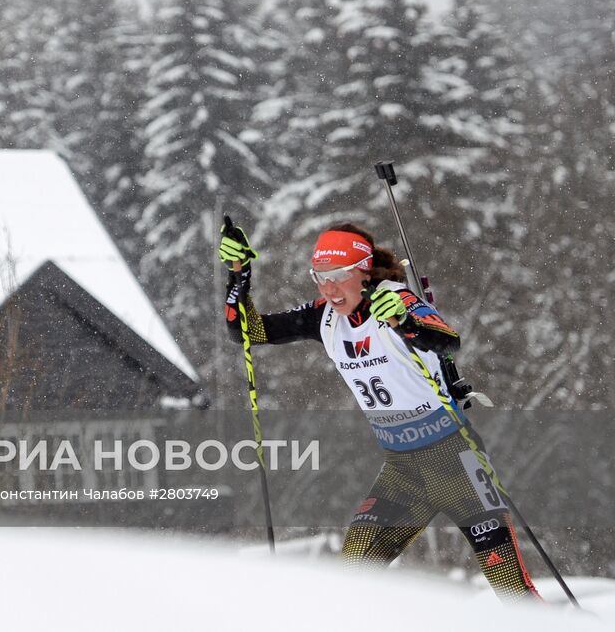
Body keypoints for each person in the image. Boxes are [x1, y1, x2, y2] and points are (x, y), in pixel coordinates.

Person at [218, 220, 540, 600]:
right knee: (354, 573)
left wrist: (405, 322)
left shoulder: (396, 300)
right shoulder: (324, 316)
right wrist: (240, 275)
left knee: (511, 589)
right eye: (320, 277)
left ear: (364, 272)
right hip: (402, 471)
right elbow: (249, 332)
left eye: (338, 276)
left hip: (456, 461)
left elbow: (448, 341)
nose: (329, 288)